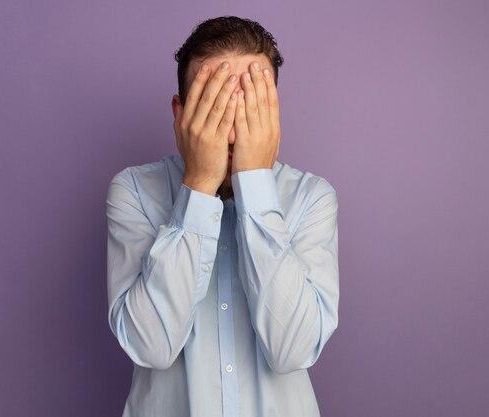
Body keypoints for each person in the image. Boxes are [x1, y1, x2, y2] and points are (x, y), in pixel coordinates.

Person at [106, 15, 340, 417]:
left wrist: (254, 183)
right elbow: (152, 347)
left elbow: (292, 351)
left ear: (272, 114)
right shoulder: (134, 192)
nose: (231, 133)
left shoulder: (311, 199)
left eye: (248, 110)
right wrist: (199, 183)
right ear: (180, 114)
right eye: (212, 107)